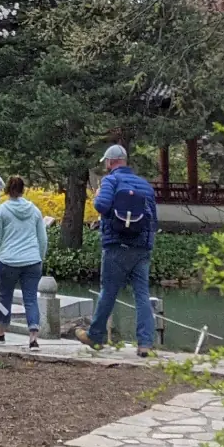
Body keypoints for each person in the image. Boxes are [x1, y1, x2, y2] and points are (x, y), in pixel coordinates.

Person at [81, 143, 158, 357]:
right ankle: (145, 343)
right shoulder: (144, 185)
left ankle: (95, 336)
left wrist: (103, 202)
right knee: (142, 294)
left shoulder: (111, 181)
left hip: (116, 245)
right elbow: (153, 218)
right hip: (141, 247)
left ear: (110, 162)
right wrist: (147, 243)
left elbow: (101, 206)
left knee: (109, 291)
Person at [0, 175, 48, 346]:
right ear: (23, 189)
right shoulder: (34, 210)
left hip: (8, 260)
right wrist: (40, 257)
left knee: (5, 296)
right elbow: (42, 239)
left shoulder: (2, 210)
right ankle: (33, 337)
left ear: (7, 189)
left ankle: (1, 331)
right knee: (30, 298)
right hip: (32, 260)